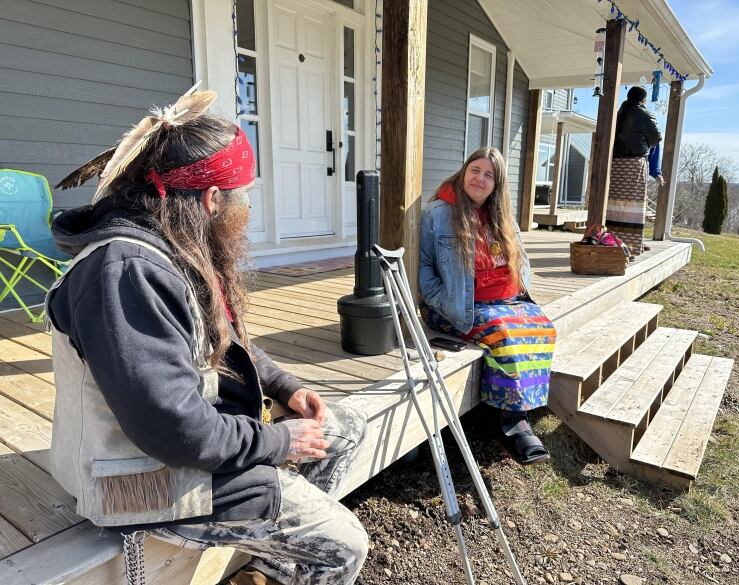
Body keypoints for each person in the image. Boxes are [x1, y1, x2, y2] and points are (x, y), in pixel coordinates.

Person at [46, 88, 368, 585]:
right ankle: (296, 544)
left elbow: (218, 338)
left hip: (180, 448)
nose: (249, 210)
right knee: (344, 547)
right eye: (245, 196)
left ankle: (270, 565)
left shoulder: (171, 240)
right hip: (138, 482)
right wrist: (276, 441)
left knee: (344, 429)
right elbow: (177, 431)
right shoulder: (126, 272)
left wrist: (285, 387)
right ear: (213, 199)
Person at [418, 147, 557, 465]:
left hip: (506, 301)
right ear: (464, 172)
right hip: (459, 307)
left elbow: (520, 261)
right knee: (504, 335)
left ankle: (514, 405)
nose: (480, 178)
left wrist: (519, 295)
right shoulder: (438, 213)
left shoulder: (501, 216)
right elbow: (424, 271)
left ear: (497, 184)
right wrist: (443, 301)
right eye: (475, 170)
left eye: (488, 174)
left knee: (543, 327)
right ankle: (512, 422)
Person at [606, 85, 663, 258]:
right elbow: (656, 138)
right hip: (634, 165)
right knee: (633, 208)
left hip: (616, 165)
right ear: (643, 99)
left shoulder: (619, 113)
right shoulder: (644, 114)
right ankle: (630, 246)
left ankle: (612, 242)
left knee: (616, 205)